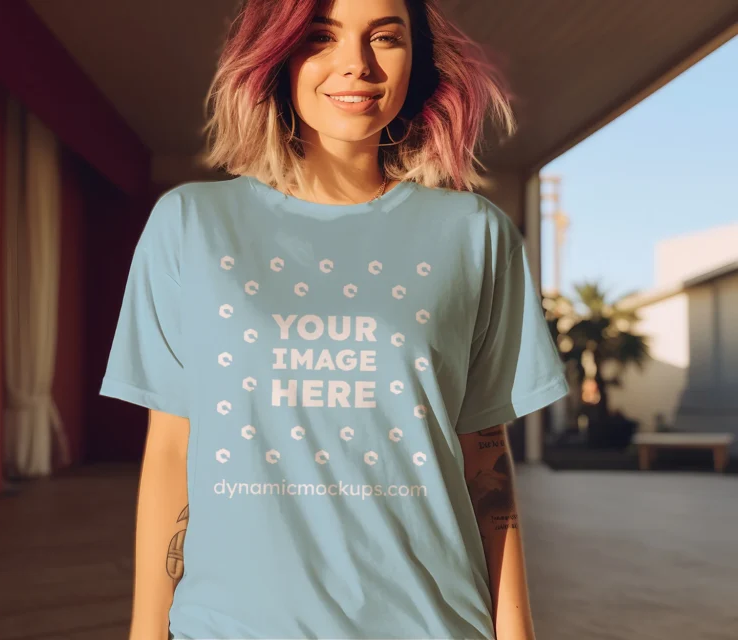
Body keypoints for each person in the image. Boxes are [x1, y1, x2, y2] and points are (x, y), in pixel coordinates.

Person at [99, 0, 569, 638]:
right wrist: (147, 632)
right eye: (322, 36)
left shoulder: (475, 235)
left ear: (417, 61)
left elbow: (486, 460)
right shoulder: (191, 225)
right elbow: (171, 452)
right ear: (279, 53)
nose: (357, 64)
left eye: (386, 37)